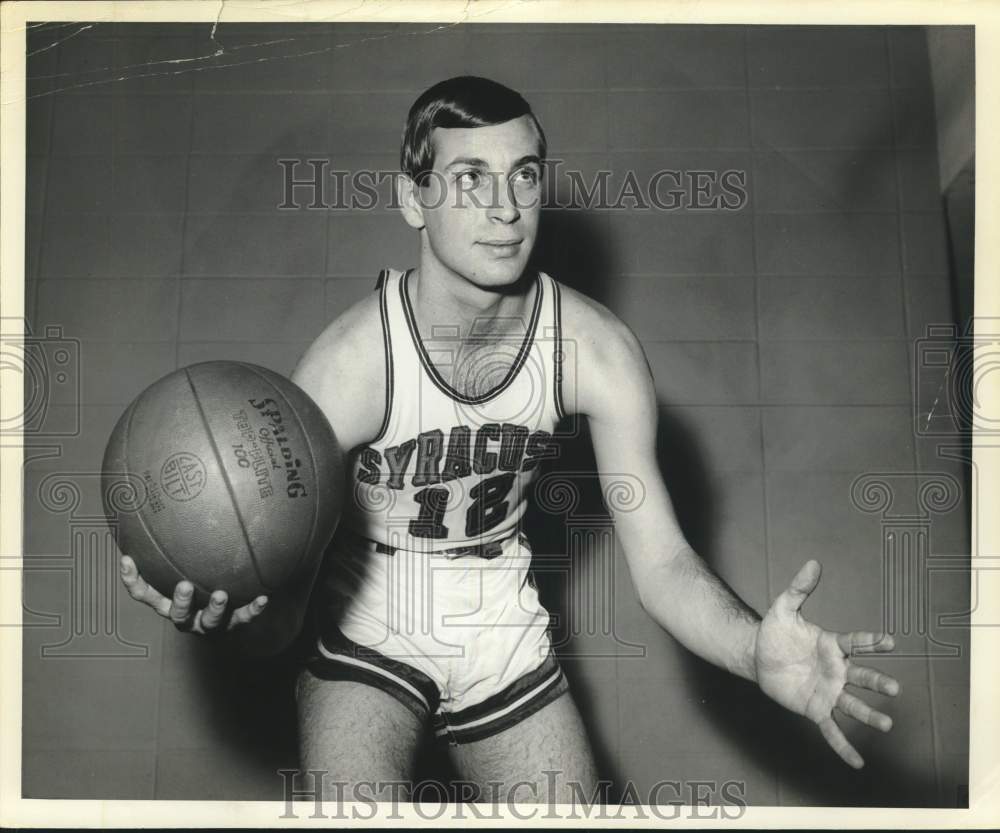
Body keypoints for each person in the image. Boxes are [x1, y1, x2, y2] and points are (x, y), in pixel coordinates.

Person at [119, 76, 899, 804]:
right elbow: (283, 621)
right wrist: (235, 616)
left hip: (500, 611)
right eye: (469, 179)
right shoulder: (349, 367)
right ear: (412, 198)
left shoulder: (597, 352)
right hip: (369, 612)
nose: (505, 208)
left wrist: (752, 648)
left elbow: (662, 561)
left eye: (524, 176)